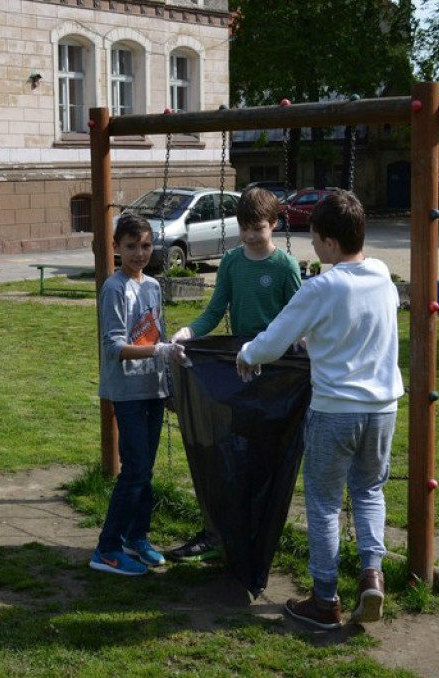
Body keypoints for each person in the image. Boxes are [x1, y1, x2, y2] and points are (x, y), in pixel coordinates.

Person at [235, 190, 403, 629]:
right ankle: (372, 575)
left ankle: (325, 600)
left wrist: (247, 354)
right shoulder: (382, 274)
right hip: (383, 409)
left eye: (313, 238)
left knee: (325, 504)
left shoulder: (322, 286)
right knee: (369, 492)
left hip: (335, 411)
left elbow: (272, 342)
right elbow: (353, 328)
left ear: (329, 242)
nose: (310, 245)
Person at [165, 186, 302, 562]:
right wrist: (189, 332)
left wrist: (297, 346)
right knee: (231, 451)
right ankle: (220, 531)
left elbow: (297, 317)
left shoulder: (284, 266)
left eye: (257, 228)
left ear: (273, 225)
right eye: (244, 228)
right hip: (240, 365)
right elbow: (214, 311)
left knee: (267, 455)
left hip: (275, 370)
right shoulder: (231, 263)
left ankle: (259, 535)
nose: (249, 236)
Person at [90, 212, 189, 576]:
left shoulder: (152, 287)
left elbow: (157, 337)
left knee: (145, 470)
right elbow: (115, 346)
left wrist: (170, 380)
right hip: (128, 392)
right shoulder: (114, 289)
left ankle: (137, 536)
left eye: (145, 245)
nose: (139, 253)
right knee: (133, 470)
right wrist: (158, 351)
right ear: (117, 247)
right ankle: (107, 548)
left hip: (152, 388)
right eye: (131, 246)